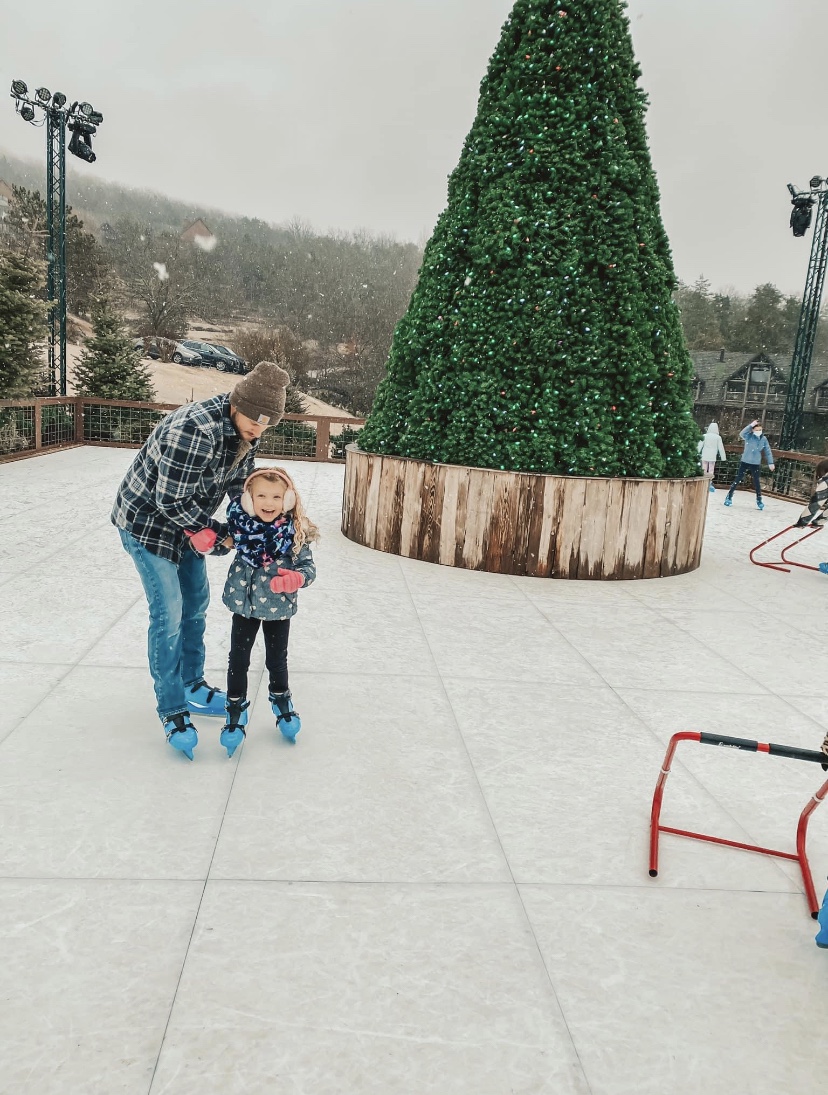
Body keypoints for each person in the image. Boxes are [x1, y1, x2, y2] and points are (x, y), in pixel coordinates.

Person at [111, 361, 291, 759]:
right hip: (147, 524)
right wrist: (214, 531)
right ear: (236, 403)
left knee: (196, 606)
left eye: (267, 424)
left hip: (185, 522)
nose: (259, 430)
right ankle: (172, 706)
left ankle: (192, 684)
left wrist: (251, 521)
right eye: (255, 420)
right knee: (170, 613)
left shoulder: (246, 430)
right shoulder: (194, 429)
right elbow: (169, 500)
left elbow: (234, 481)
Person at [218, 466, 318, 757]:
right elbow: (221, 545)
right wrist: (206, 541)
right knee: (238, 657)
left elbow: (308, 568)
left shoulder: (296, 532)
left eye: (276, 496)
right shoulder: (240, 527)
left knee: (277, 657)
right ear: (248, 498)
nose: (269, 502)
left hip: (279, 607)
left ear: (288, 499)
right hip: (245, 606)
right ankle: (235, 706)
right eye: (261, 495)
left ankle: (280, 697)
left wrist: (296, 578)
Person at [723, 419, 775, 510]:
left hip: (755, 463)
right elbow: (741, 433)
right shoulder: (749, 436)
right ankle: (729, 496)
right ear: (753, 430)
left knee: (757, 482)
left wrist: (770, 462)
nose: (758, 431)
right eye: (756, 430)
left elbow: (768, 451)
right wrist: (750, 425)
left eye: (760, 430)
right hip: (745, 461)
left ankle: (759, 500)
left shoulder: (763, 439)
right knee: (738, 479)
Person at [697, 421, 727, 493]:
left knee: (703, 468)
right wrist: (723, 457)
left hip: (704, 455)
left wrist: (696, 453)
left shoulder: (705, 436)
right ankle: (709, 483)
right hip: (712, 456)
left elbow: (699, 445)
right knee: (711, 470)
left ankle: (703, 481)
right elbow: (721, 448)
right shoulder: (718, 437)